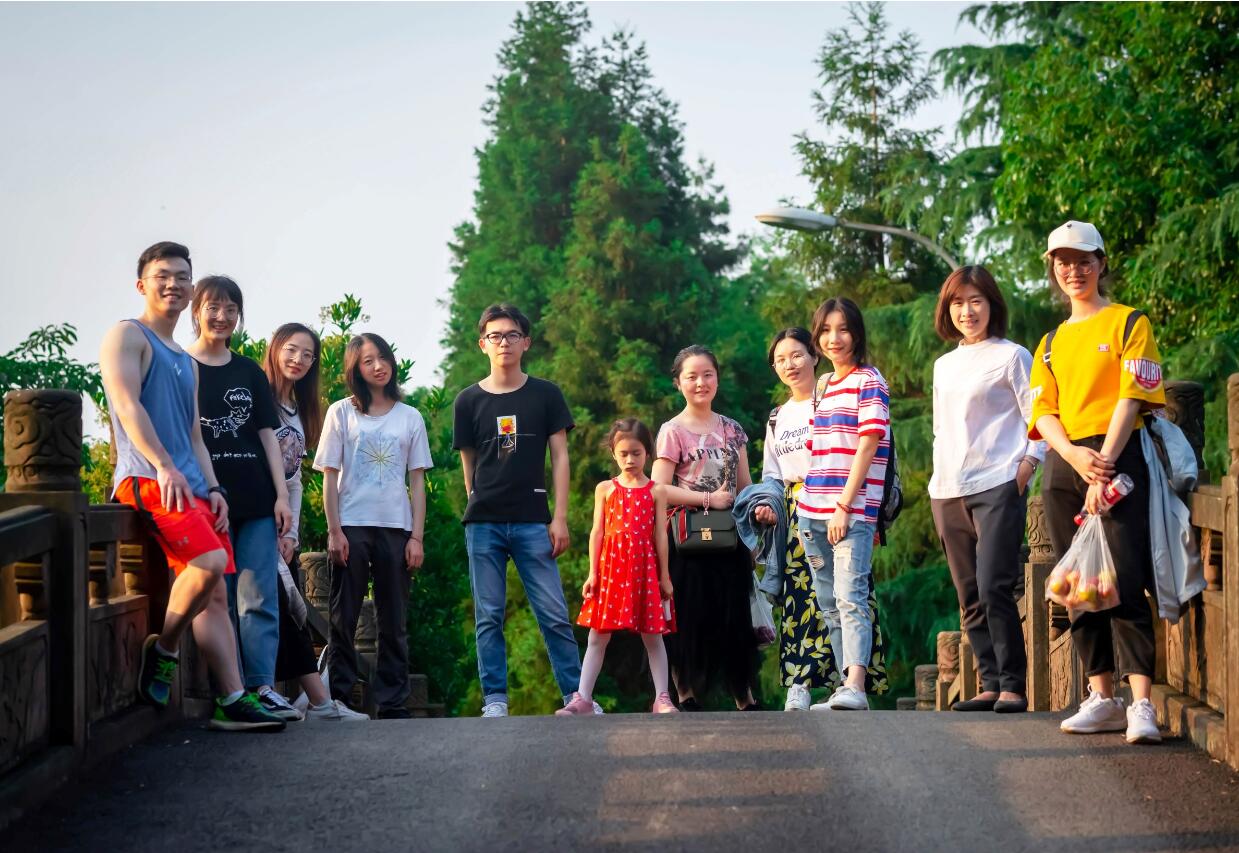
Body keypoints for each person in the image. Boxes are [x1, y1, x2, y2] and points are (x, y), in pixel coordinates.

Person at [99, 241, 284, 731]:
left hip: (194, 487)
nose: (174, 284)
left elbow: (196, 436)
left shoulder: (185, 359)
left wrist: (215, 489)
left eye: (182, 276)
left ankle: (232, 699)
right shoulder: (127, 335)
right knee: (209, 565)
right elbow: (127, 406)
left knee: (215, 595)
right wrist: (163, 465)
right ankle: (164, 650)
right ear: (142, 284)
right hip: (149, 478)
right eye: (163, 275)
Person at [1030, 220, 1165, 744]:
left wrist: (1101, 465)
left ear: (1101, 264)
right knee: (1079, 585)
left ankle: (1142, 703)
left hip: (1117, 453)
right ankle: (1102, 695)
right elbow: (1043, 413)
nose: (1073, 270)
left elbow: (1133, 397)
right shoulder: (1049, 343)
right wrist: (1072, 457)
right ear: (1053, 269)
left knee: (1125, 578)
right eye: (1063, 262)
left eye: (1083, 260)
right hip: (1066, 464)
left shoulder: (1129, 322)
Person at [452, 304, 583, 718]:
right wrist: (476, 500)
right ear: (482, 344)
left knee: (554, 614)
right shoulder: (467, 400)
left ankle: (576, 696)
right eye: (495, 336)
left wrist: (559, 517)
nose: (503, 342)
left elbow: (560, 457)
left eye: (511, 335)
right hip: (483, 523)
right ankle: (495, 700)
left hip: (533, 520)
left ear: (525, 342)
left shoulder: (546, 394)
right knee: (488, 616)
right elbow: (469, 463)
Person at [753, 328, 889, 711]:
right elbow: (772, 474)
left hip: (839, 504)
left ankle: (848, 682)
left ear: (815, 356)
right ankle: (799, 683)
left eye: (797, 355)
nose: (790, 365)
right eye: (780, 360)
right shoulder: (777, 417)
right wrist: (767, 506)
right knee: (799, 600)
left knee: (846, 595)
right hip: (794, 513)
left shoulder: (832, 397)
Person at [929, 267, 1044, 714]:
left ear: (992, 305)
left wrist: (1028, 466)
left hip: (998, 481)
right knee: (968, 593)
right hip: (948, 489)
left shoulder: (1012, 356)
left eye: (976, 301)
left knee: (994, 584)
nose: (967, 311)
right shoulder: (944, 365)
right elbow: (942, 429)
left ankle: (1013, 684)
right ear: (948, 310)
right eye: (958, 303)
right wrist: (939, 479)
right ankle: (989, 683)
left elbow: (1039, 416)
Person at [187, 276, 298, 721]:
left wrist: (281, 496)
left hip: (256, 498)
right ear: (197, 310)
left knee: (259, 596)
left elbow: (267, 436)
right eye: (213, 307)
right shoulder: (182, 366)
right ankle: (230, 691)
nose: (222, 316)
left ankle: (262, 687)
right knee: (219, 596)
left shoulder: (249, 371)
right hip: (206, 501)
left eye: (231, 309)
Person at [314, 333, 433, 720]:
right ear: (356, 368)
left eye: (383, 357)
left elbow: (417, 481)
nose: (379, 366)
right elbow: (329, 476)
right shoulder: (340, 413)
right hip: (350, 525)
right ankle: (340, 698)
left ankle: (392, 702)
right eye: (368, 361)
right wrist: (334, 530)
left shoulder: (410, 416)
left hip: (396, 527)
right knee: (343, 616)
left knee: (393, 618)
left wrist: (416, 537)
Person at [263, 323, 367, 722]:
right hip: (255, 520)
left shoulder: (298, 410)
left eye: (308, 355)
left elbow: (293, 481)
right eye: (292, 350)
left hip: (282, 529)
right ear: (275, 349)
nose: (299, 360)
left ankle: (291, 699)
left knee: (291, 612)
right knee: (276, 609)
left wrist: (290, 534)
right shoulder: (259, 400)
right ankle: (318, 702)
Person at [653, 345, 760, 711]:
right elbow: (658, 490)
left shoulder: (732, 429)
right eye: (692, 376)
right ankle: (686, 695)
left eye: (707, 375)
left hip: (730, 537)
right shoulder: (672, 431)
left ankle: (744, 696)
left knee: (734, 617)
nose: (701, 383)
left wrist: (754, 532)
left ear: (717, 378)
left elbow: (745, 486)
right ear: (678, 383)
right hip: (686, 540)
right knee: (689, 617)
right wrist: (706, 500)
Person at [798, 297, 889, 712]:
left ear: (857, 334)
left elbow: (868, 444)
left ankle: (857, 686)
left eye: (844, 329)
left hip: (850, 511)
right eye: (826, 330)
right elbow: (819, 449)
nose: (834, 338)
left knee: (851, 597)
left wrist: (845, 506)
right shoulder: (823, 385)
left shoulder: (869, 380)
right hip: (811, 510)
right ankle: (843, 685)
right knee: (830, 603)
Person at [558, 418, 678, 716]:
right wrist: (592, 573)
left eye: (636, 453)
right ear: (613, 454)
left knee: (653, 636)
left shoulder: (656, 491)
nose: (630, 460)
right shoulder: (605, 489)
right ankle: (583, 698)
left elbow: (660, 536)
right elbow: (597, 532)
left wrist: (664, 576)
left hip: (645, 571)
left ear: (647, 452)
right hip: (610, 571)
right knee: (597, 636)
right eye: (623, 453)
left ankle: (662, 698)